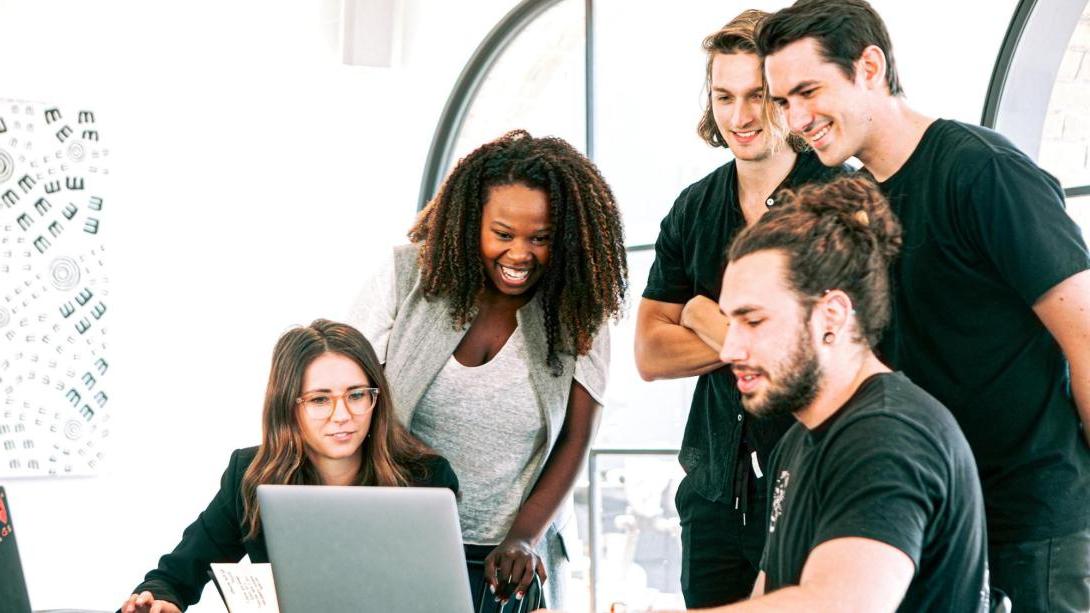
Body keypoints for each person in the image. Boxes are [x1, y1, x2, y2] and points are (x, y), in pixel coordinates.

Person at [757, 1, 1090, 609]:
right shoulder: (848, 200)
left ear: (869, 66)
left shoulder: (982, 172)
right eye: (782, 102)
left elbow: (1086, 335)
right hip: (927, 521)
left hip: (1031, 525)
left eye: (808, 91)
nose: (796, 118)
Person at [349, 130, 627, 609]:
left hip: (513, 558)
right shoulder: (405, 277)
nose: (520, 254)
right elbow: (350, 402)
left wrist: (523, 537)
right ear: (469, 222)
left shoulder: (580, 307)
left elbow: (576, 438)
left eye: (539, 238)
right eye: (502, 234)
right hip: (402, 537)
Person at [632, 10, 847, 606]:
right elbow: (649, 353)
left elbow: (821, 353)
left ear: (786, 96)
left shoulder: (839, 198)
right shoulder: (693, 207)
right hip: (712, 492)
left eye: (758, 95)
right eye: (724, 96)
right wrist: (755, 335)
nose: (740, 116)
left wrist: (701, 313)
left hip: (811, 487)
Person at [120, 320, 457, 613]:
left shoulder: (426, 479)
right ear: (288, 407)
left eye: (356, 395)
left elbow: (442, 597)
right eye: (320, 399)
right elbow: (175, 575)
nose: (342, 415)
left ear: (375, 398)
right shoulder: (250, 475)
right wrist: (163, 600)